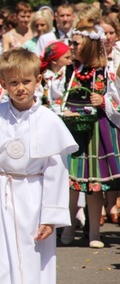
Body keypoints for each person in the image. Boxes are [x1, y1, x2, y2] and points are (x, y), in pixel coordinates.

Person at [0, 48, 78, 283]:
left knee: (32, 257)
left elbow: (56, 173)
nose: (21, 88)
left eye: (26, 81)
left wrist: (50, 217)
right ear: (3, 84)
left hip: (34, 198)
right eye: (14, 82)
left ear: (38, 80)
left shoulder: (50, 121)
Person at [55, 26, 120, 248]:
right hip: (72, 128)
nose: (70, 47)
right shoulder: (69, 70)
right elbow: (59, 96)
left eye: (75, 44)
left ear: (89, 46)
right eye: (70, 43)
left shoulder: (104, 71)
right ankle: (68, 226)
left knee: (93, 185)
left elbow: (116, 100)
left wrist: (102, 102)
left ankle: (94, 232)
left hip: (95, 131)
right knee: (71, 183)